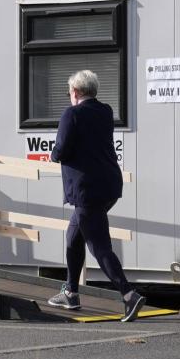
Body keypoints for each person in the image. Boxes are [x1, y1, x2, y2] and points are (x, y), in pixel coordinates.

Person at [47, 70, 146, 322]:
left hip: (86, 190)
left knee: (98, 245)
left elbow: (61, 149)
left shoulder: (72, 114)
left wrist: (54, 154)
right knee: (73, 237)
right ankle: (70, 292)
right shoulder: (105, 111)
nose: (69, 96)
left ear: (76, 92)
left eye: (70, 92)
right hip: (109, 184)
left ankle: (128, 295)